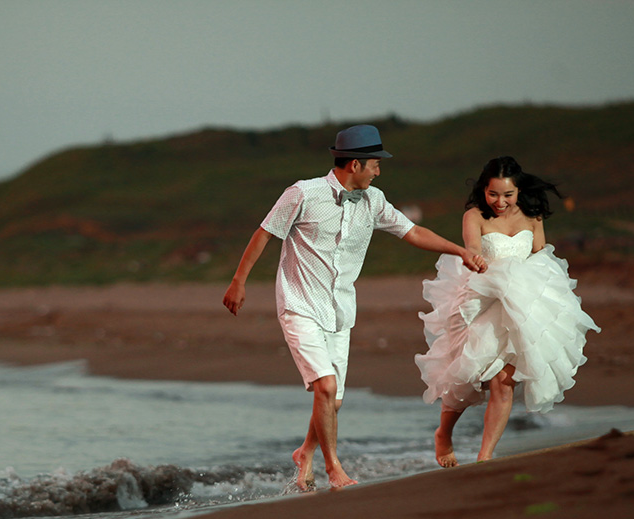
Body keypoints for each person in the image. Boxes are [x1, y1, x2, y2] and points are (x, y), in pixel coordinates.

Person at [223, 124, 486, 490]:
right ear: (355, 164)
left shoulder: (374, 201)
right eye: (375, 164)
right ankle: (334, 470)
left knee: (333, 400)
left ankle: (305, 454)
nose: (379, 170)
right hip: (300, 305)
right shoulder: (303, 193)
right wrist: (239, 281)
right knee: (326, 387)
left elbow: (413, 232)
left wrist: (460, 251)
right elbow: (265, 232)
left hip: (341, 310)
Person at [415, 156, 600, 467]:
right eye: (493, 194)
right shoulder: (474, 215)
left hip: (520, 304)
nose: (499, 202)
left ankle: (485, 456)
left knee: (504, 381)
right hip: (482, 296)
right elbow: (472, 246)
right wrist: (475, 257)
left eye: (507, 195)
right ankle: (444, 433)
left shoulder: (533, 215)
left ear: (518, 191)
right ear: (483, 191)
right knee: (466, 373)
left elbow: (540, 255)